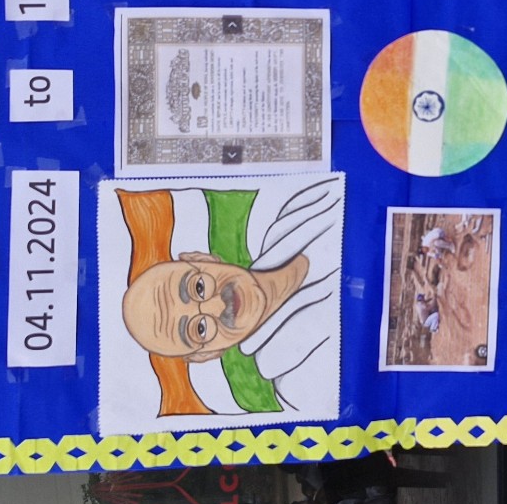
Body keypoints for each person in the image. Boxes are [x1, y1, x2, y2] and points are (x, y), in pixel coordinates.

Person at [119, 176, 342, 418]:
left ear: (202, 259)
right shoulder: (300, 382)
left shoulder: (291, 211)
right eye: (200, 328)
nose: (218, 305)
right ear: (206, 355)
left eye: (198, 288)